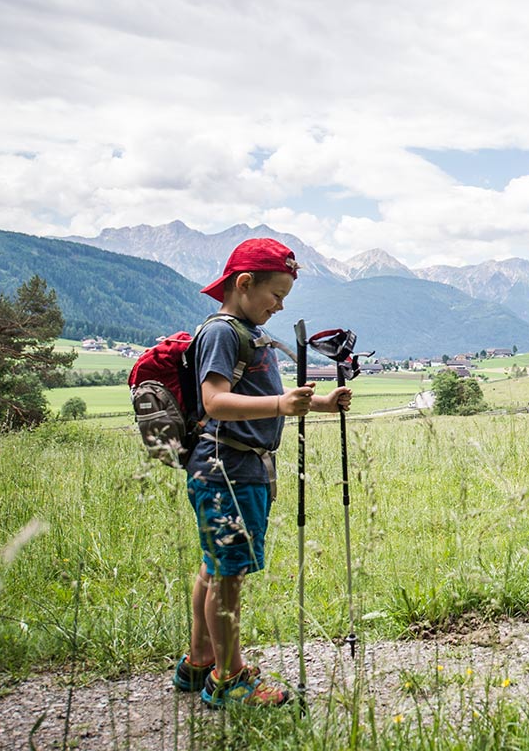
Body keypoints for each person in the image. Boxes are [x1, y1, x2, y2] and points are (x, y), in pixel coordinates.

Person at [171, 238, 352, 708]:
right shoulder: (223, 332)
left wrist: (322, 402)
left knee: (215, 568)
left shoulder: (246, 333)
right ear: (245, 283)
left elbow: (265, 395)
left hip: (234, 467)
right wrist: (279, 405)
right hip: (227, 469)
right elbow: (214, 401)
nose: (280, 306)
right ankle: (229, 679)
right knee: (227, 576)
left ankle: (199, 662)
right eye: (276, 294)